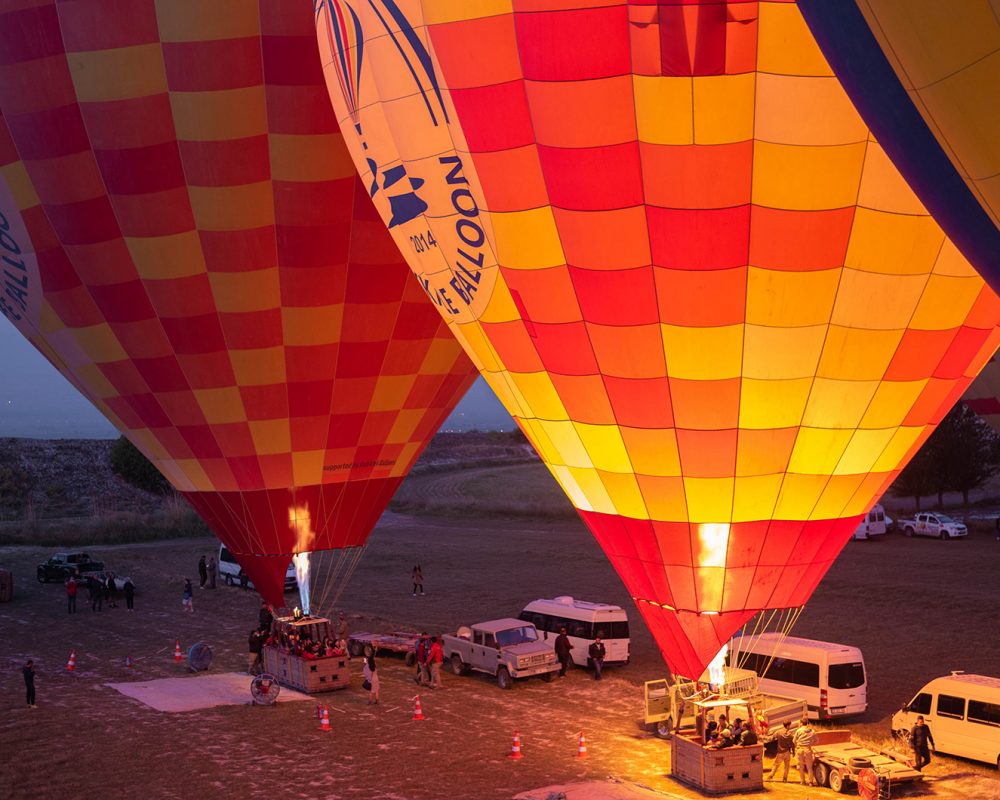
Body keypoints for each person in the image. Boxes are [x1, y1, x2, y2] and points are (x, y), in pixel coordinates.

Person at [793, 717, 817, 786]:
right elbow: (817, 740)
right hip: (808, 750)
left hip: (800, 749)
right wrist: (810, 743)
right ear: (807, 723)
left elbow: (794, 741)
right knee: (809, 767)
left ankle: (803, 781)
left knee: (801, 767)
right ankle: (810, 782)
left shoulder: (798, 731)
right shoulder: (812, 731)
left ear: (801, 723)